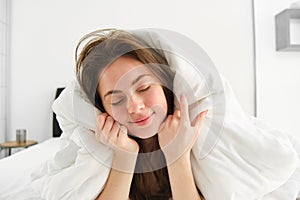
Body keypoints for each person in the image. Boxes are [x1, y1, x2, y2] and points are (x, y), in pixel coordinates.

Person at [75, 29, 207, 200]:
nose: (135, 108)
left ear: (164, 84)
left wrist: (178, 156)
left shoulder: (197, 133)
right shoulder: (99, 147)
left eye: (143, 88)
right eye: (116, 100)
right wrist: (125, 156)